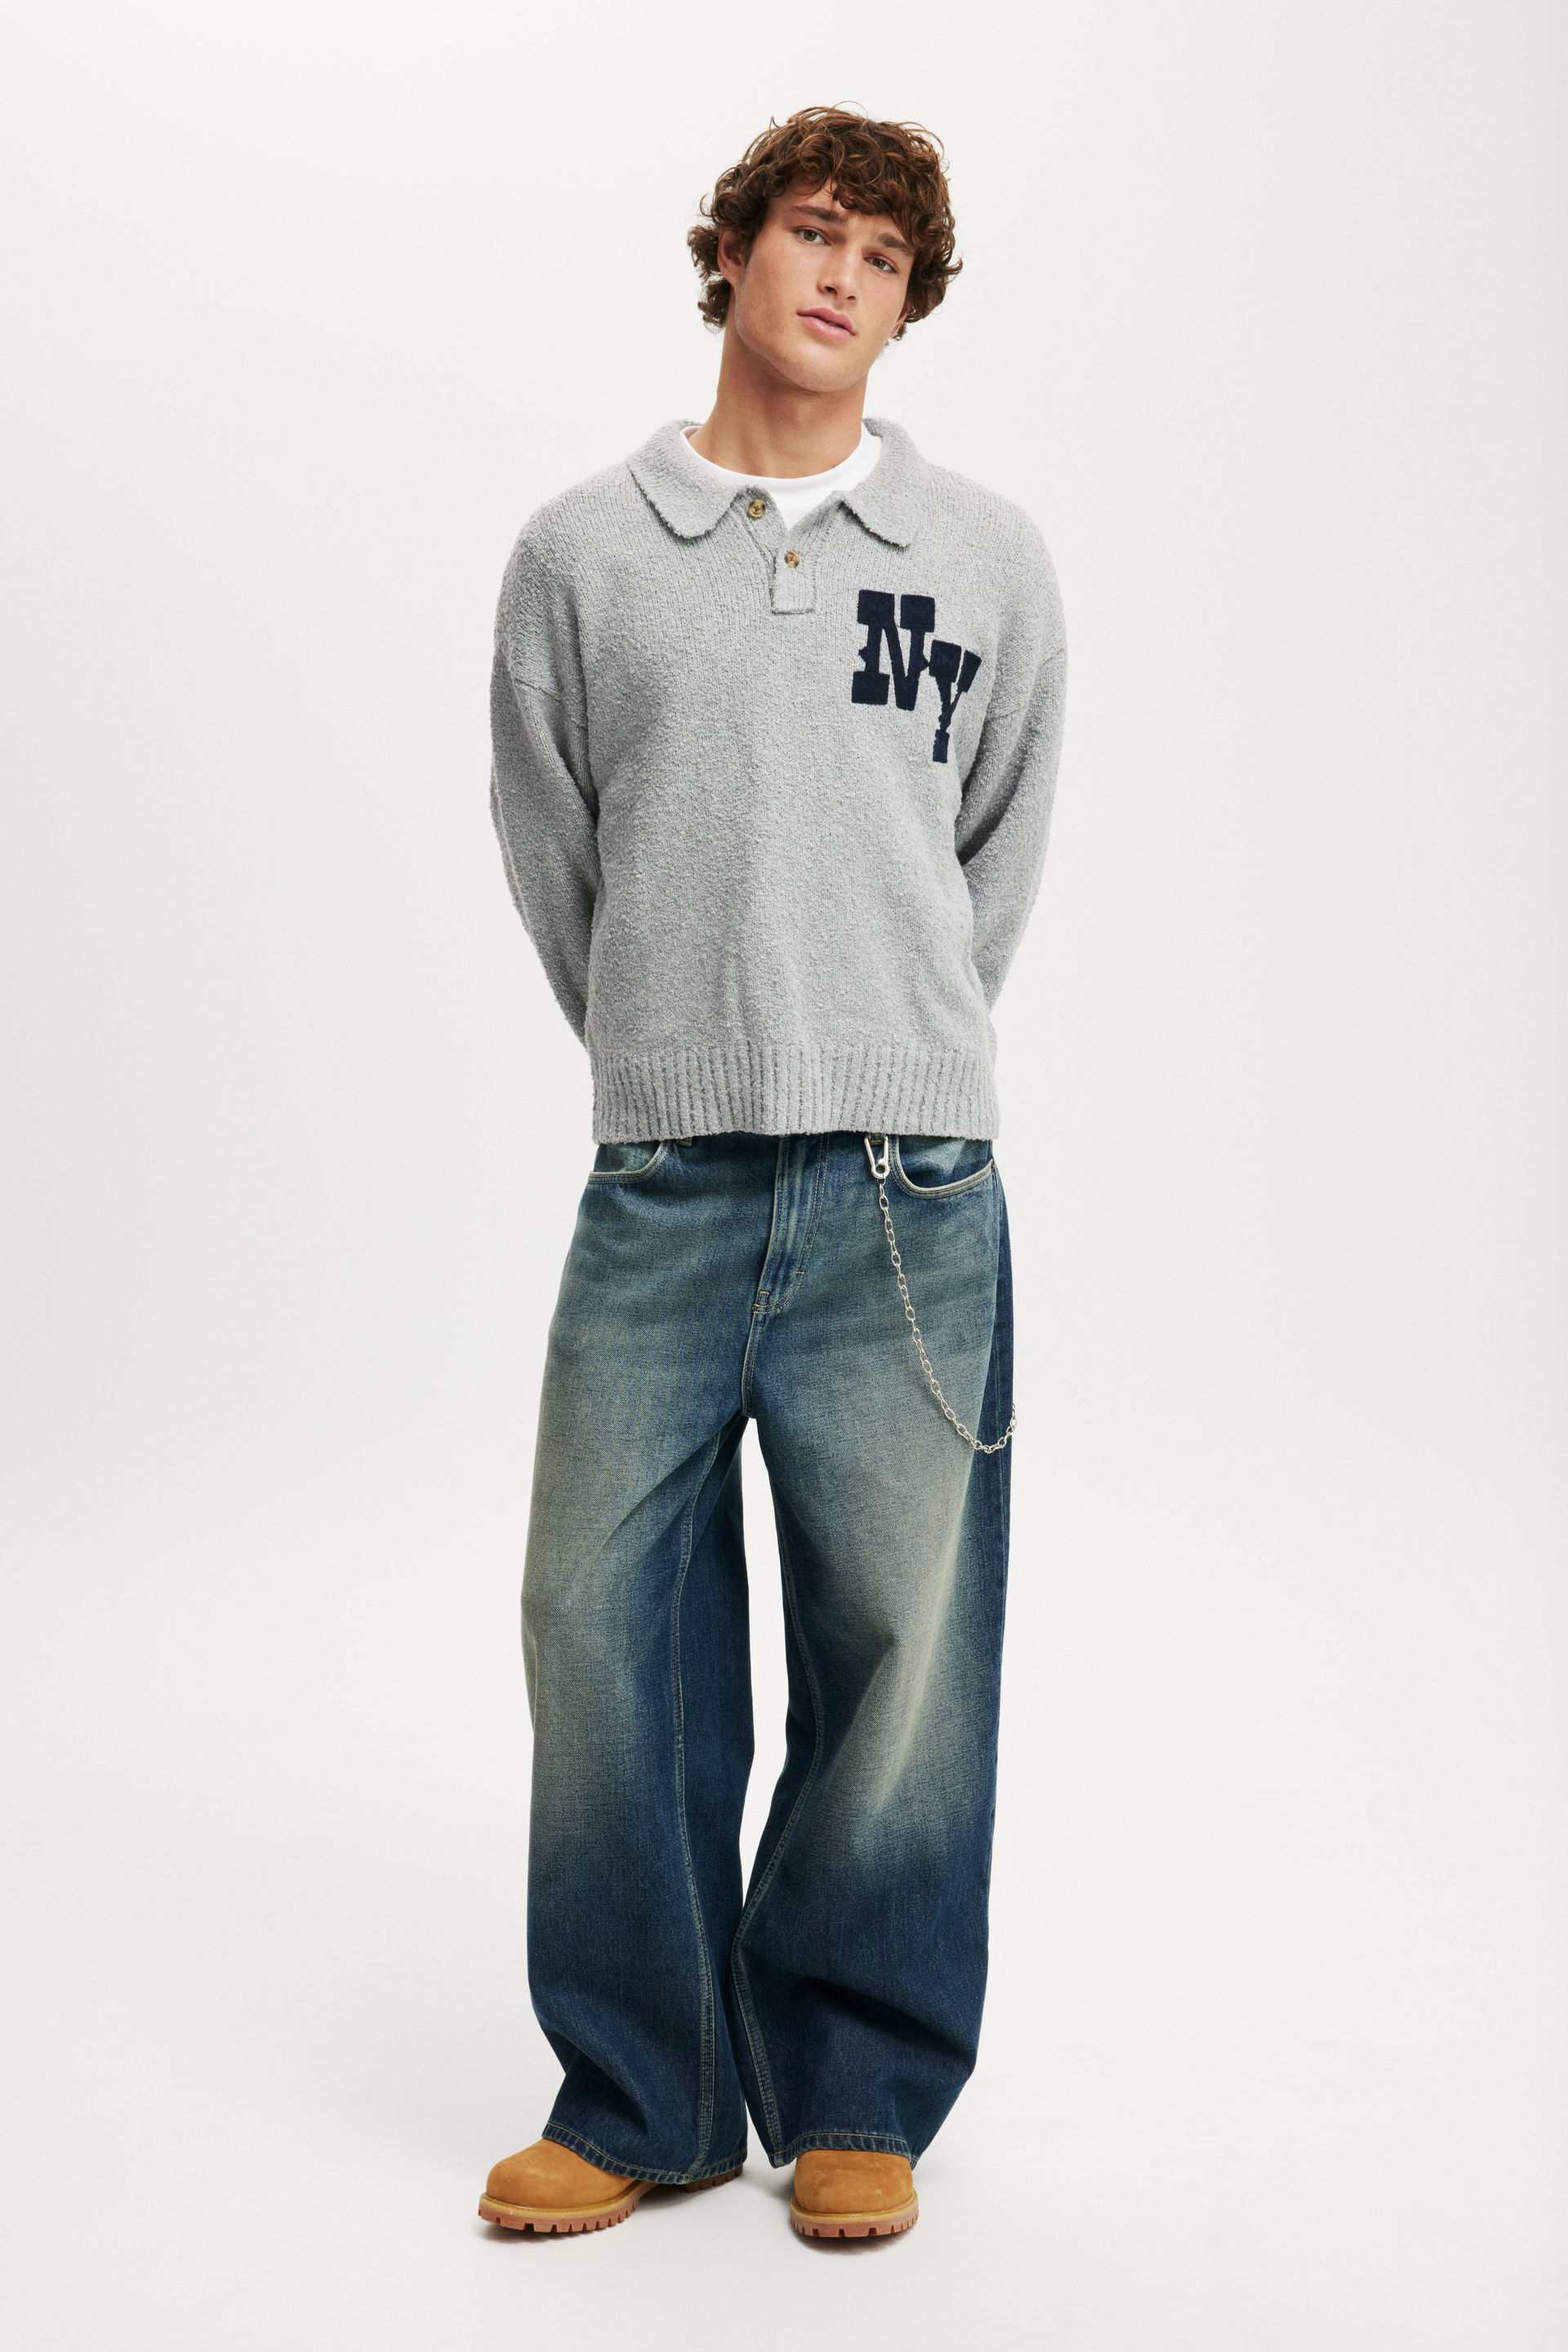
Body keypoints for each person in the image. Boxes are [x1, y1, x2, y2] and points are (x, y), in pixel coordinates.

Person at [479, 105, 1067, 2242]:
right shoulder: (584, 552)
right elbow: (556, 852)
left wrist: (882, 1041)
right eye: (816, 233)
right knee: (597, 1622)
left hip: (910, 1193)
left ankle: (855, 2087)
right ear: (729, 252)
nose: (845, 279)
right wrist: (673, 1052)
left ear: (911, 306)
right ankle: (643, 2091)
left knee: (901, 1647)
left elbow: (988, 854)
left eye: (888, 260)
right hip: (663, 1183)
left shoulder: (982, 556)